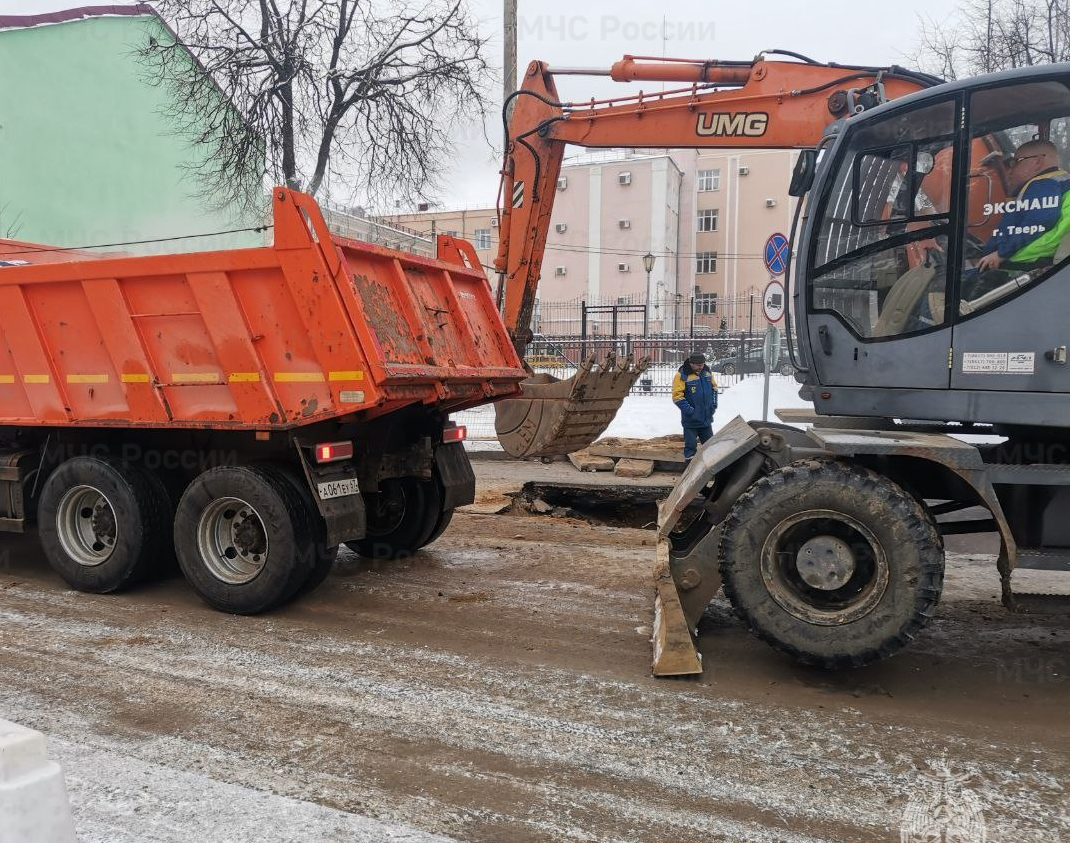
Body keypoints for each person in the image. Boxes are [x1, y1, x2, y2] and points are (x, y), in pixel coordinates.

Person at [976, 139, 1070, 273]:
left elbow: (1038, 221)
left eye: (1015, 162)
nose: (1010, 170)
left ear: (1037, 161)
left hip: (1025, 262)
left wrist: (1001, 253)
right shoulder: (1061, 181)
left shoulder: (1042, 185)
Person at [672, 352, 718, 462]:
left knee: (710, 447)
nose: (701, 367)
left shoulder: (707, 373)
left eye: (702, 364)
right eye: (698, 365)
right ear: (691, 363)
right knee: (690, 448)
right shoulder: (682, 375)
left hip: (706, 419)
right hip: (691, 421)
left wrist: (713, 405)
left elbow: (714, 389)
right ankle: (690, 473)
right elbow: (677, 397)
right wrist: (690, 411)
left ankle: (712, 472)